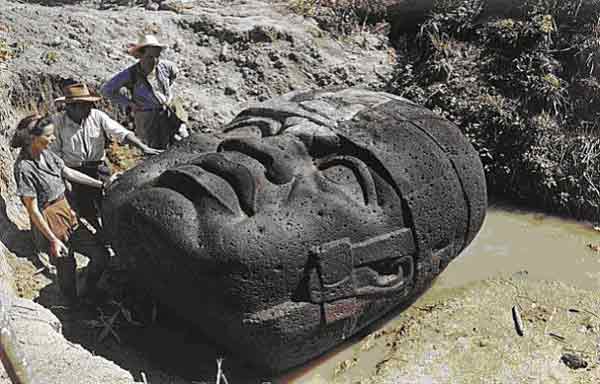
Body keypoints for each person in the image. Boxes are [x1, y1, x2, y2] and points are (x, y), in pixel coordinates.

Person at [12, 114, 111, 300]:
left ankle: (89, 290)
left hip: (66, 211)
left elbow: (67, 172)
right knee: (67, 266)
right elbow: (33, 210)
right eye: (49, 135)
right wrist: (53, 240)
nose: (53, 138)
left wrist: (101, 184)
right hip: (49, 221)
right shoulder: (24, 168)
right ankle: (71, 306)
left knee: (101, 255)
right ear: (33, 138)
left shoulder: (47, 154)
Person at [50, 82, 161, 230]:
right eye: (84, 105)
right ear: (71, 106)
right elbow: (56, 157)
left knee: (110, 203)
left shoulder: (97, 116)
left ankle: (110, 236)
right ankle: (98, 236)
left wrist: (143, 147)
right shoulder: (58, 123)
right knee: (85, 210)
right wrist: (65, 180)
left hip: (99, 169)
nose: (89, 108)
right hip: (75, 173)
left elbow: (120, 132)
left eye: (90, 105)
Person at [101, 34, 189, 149]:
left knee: (182, 142)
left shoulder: (166, 67)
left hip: (169, 111)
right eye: (149, 57)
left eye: (157, 56)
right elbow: (107, 90)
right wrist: (130, 104)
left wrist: (166, 95)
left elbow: (174, 74)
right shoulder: (130, 74)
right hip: (147, 116)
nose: (154, 60)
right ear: (140, 55)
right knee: (153, 150)